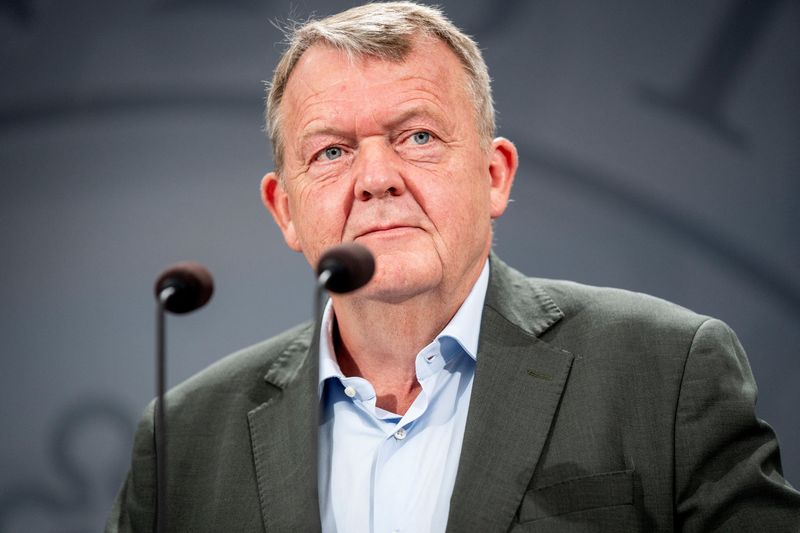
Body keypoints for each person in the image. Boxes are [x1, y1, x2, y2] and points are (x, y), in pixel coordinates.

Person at [107, 2, 800, 531]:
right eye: (332, 152)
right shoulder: (185, 437)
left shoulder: (666, 369)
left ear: (494, 176)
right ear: (284, 209)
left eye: (417, 136)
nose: (377, 178)